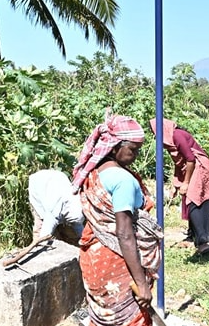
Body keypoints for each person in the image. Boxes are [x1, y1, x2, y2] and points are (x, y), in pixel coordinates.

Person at [72, 114, 163, 326]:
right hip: (117, 261)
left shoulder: (94, 172)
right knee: (129, 318)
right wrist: (141, 284)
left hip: (93, 259)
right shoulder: (122, 180)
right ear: (114, 147)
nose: (137, 155)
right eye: (133, 149)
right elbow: (124, 233)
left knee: (105, 317)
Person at [149, 118, 209, 255]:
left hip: (199, 167)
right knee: (191, 201)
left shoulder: (177, 135)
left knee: (194, 200)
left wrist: (186, 183)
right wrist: (176, 184)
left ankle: (203, 242)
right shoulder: (170, 141)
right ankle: (194, 236)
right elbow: (179, 163)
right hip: (191, 168)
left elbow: (190, 159)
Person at [28, 169, 84, 245]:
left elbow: (78, 227)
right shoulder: (52, 213)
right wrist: (41, 245)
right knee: (40, 226)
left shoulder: (76, 203)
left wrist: (85, 242)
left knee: (70, 232)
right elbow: (43, 236)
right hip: (39, 185)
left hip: (56, 180)